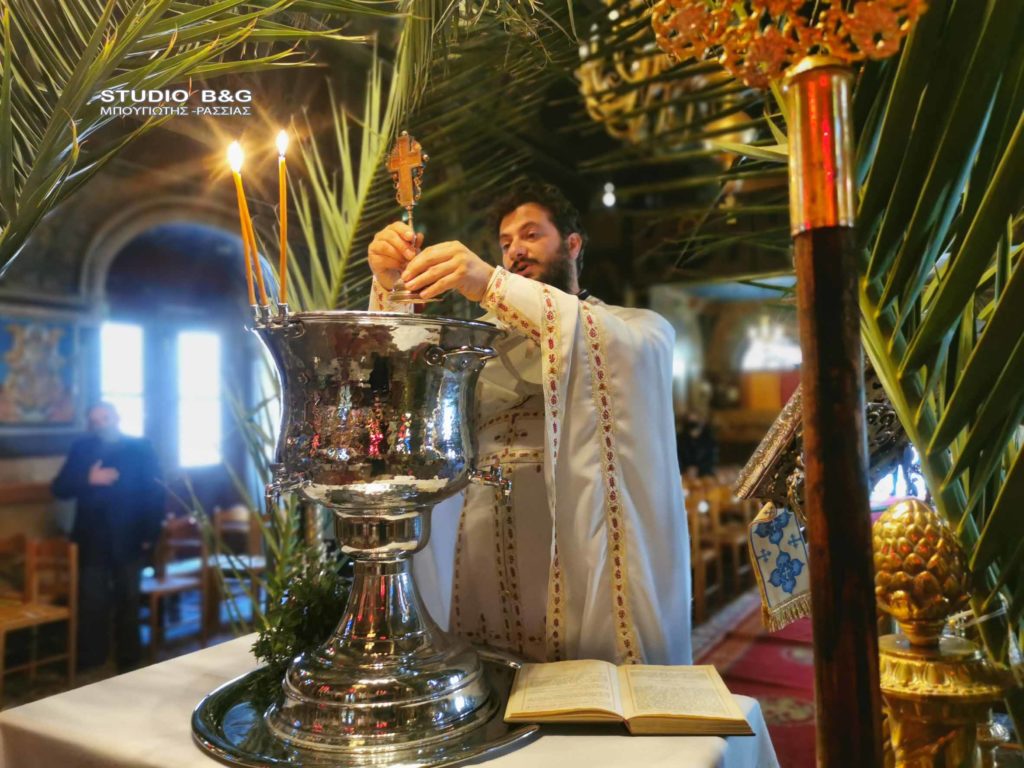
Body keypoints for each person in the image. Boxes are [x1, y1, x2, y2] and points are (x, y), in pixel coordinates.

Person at [367, 180, 691, 665]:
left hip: (575, 558)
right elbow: (405, 401)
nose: (515, 250)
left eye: (531, 235)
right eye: (504, 243)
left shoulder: (635, 327)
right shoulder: (476, 349)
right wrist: (392, 289)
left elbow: (605, 342)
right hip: (478, 558)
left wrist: (488, 284)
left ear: (573, 245)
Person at [52, 402, 165, 671]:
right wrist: (88, 479)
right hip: (92, 540)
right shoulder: (82, 448)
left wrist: (150, 533)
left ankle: (129, 659)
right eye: (96, 420)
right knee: (92, 602)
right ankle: (92, 658)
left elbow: (156, 492)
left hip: (131, 536)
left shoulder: (141, 447)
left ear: (117, 417)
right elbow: (59, 488)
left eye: (106, 418)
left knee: (128, 600)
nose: (102, 424)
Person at [677, 409, 718, 478]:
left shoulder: (709, 440)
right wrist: (686, 470)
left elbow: (712, 461)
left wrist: (699, 469)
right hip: (684, 476)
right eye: (689, 421)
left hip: (704, 477)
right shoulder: (680, 439)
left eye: (695, 421)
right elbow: (678, 459)